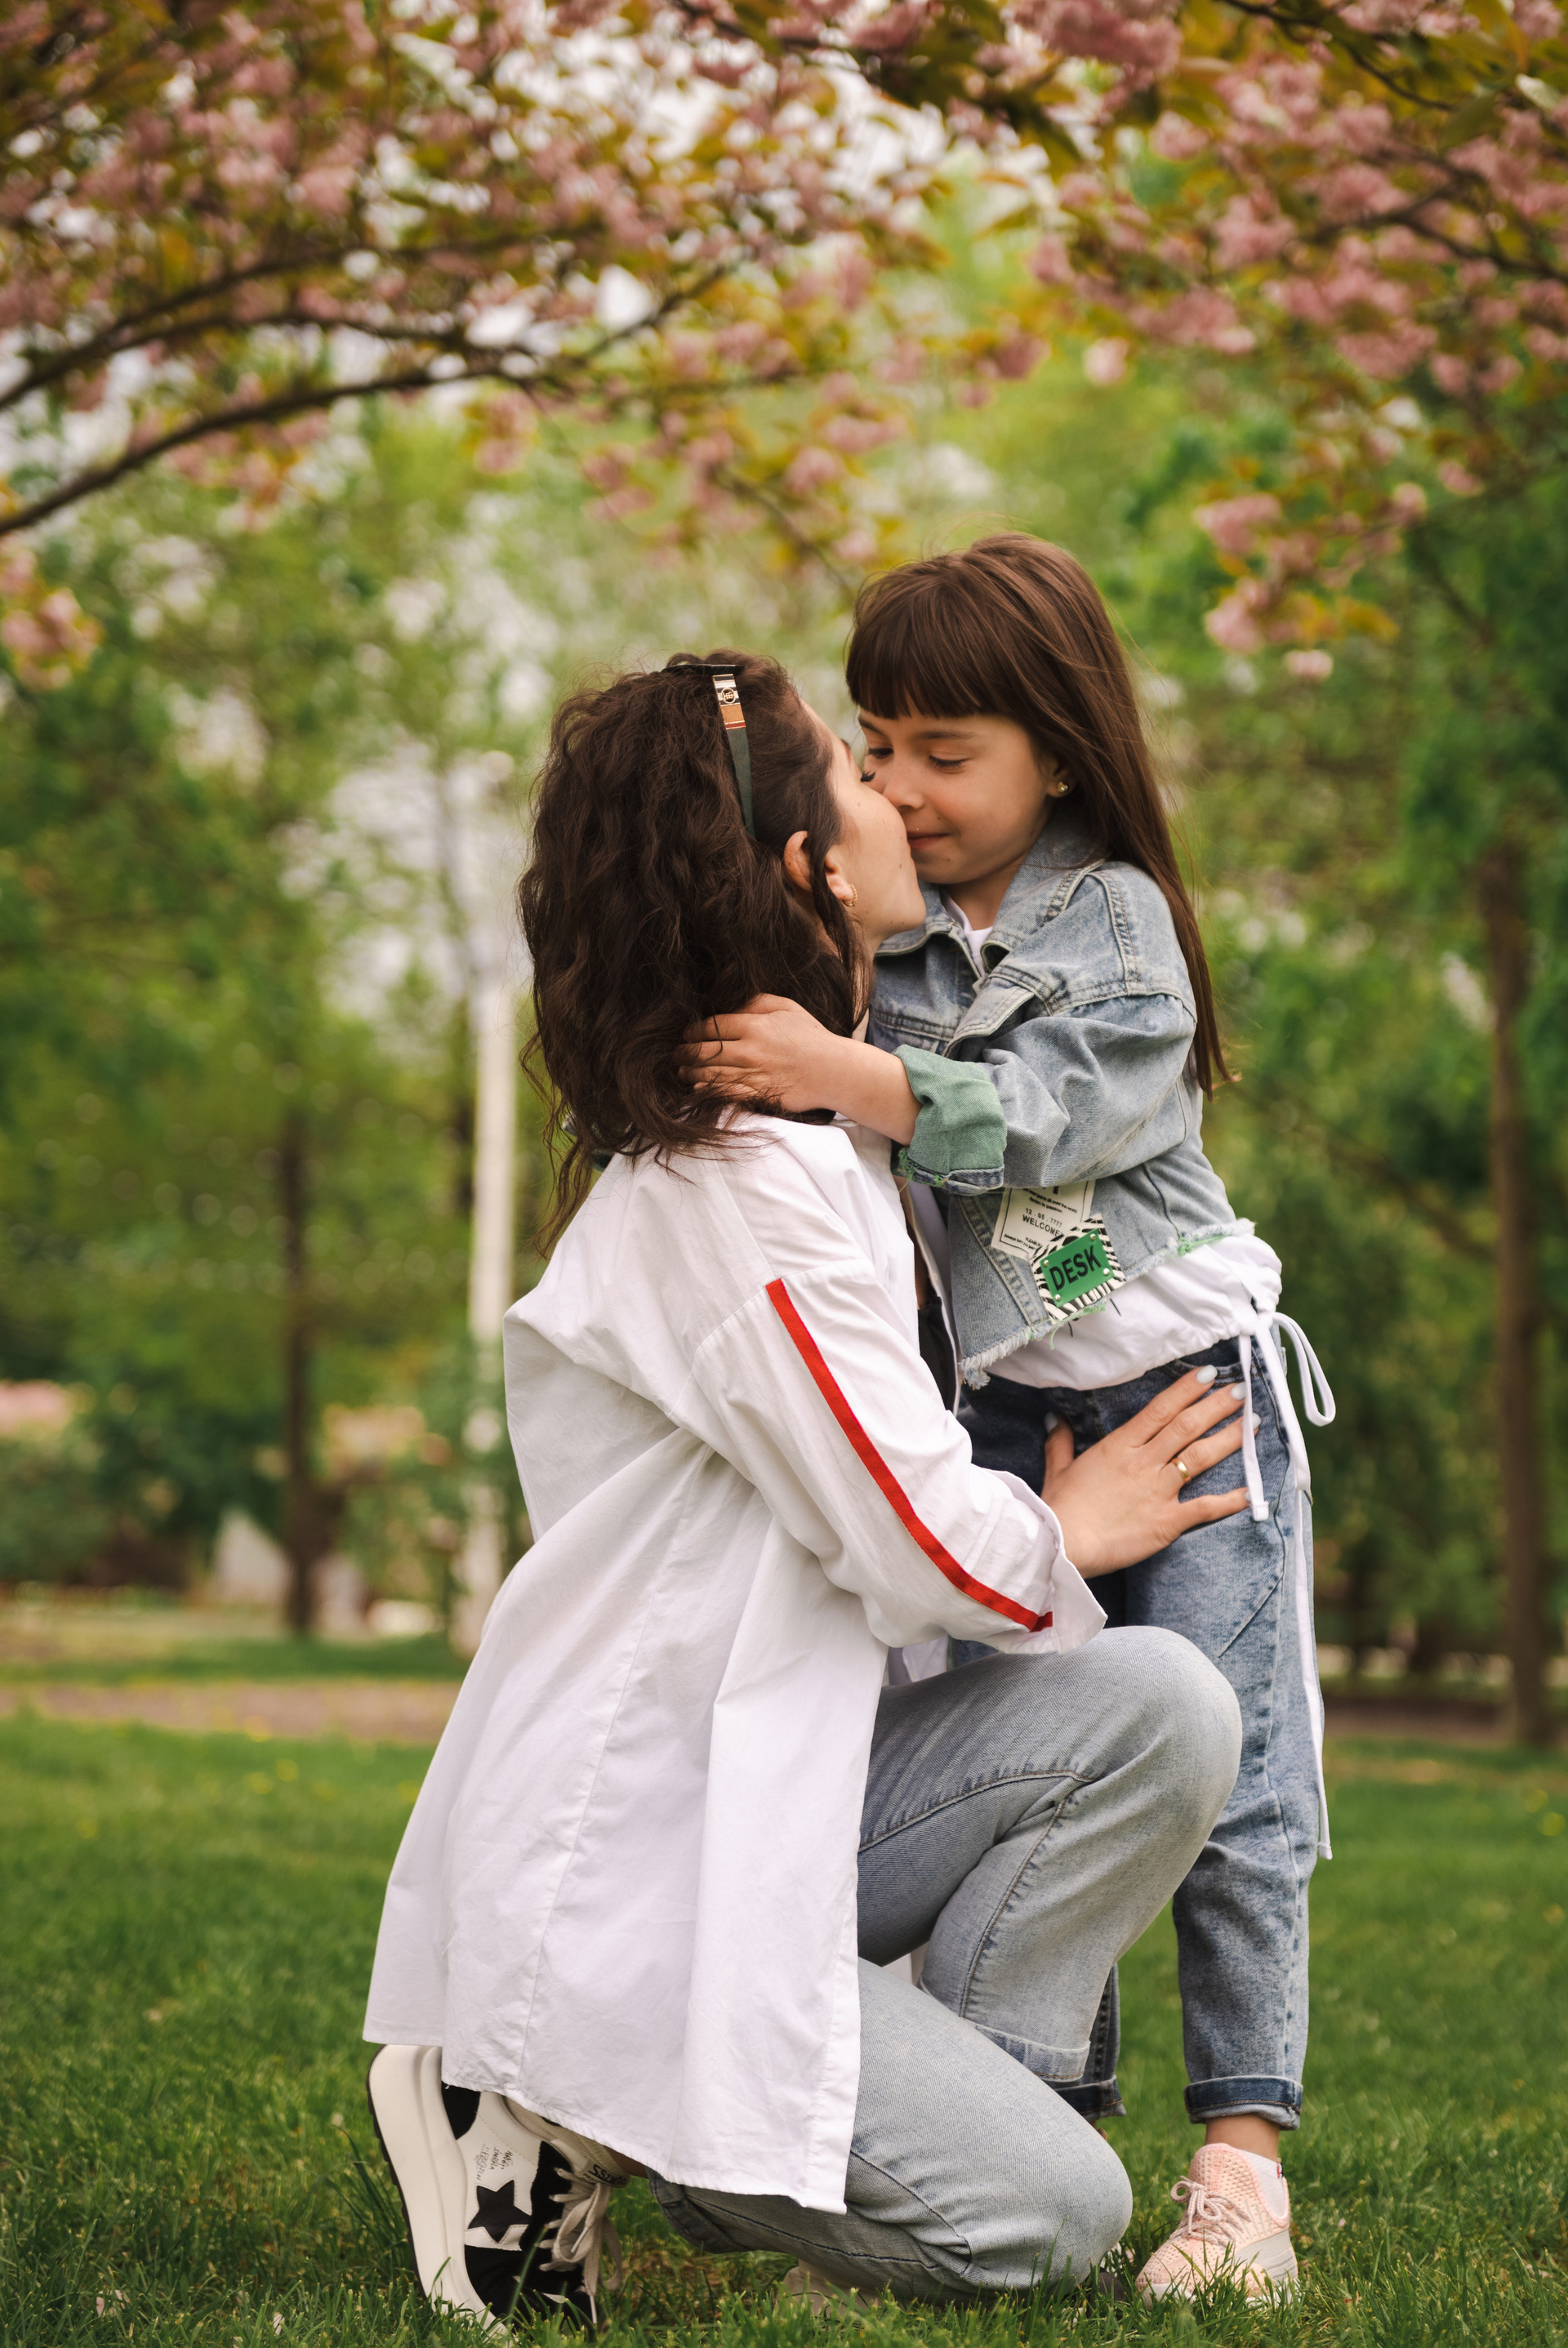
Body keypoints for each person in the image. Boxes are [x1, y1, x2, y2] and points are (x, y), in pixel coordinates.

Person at [363, 650, 1253, 2330]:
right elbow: (916, 1541)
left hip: (784, 1788)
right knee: (1054, 2223)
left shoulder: (820, 1131)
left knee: (1164, 1709)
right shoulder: (743, 1187)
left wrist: (1150, 1295)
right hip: (650, 1857)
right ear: (812, 867)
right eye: (858, 767)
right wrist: (1075, 1527)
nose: (893, 788)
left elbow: (1038, 1206)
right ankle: (550, 2097)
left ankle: (851, 2111)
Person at [687, 543, 1337, 2304]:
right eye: (877, 746)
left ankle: (1244, 2170)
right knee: (1056, 1769)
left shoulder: (1114, 922)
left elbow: (1050, 1120)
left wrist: (852, 1075)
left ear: (1056, 750)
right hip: (1015, 1419)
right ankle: (1032, 2132)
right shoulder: (884, 949)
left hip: (1191, 1397)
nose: (901, 784)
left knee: (1238, 1779)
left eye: (945, 750)